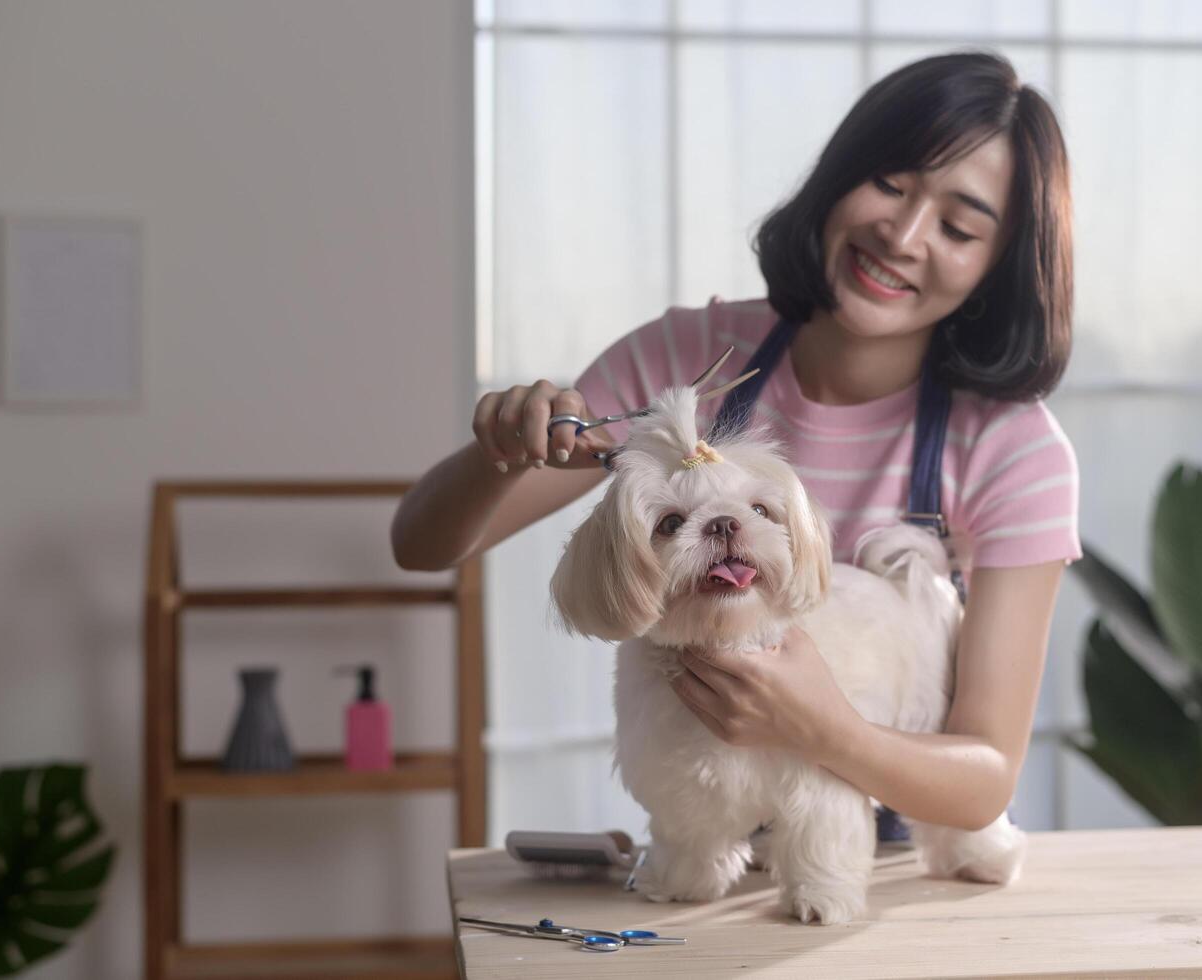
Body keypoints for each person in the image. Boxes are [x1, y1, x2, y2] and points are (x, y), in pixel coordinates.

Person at [392, 51, 1079, 835]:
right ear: (838, 175)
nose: (903, 233)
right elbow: (421, 544)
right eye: (888, 183)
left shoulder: (1011, 450)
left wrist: (825, 731)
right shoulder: (689, 360)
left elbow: (984, 781)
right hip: (707, 849)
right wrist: (499, 451)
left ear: (998, 267)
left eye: (958, 226)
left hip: (893, 871)